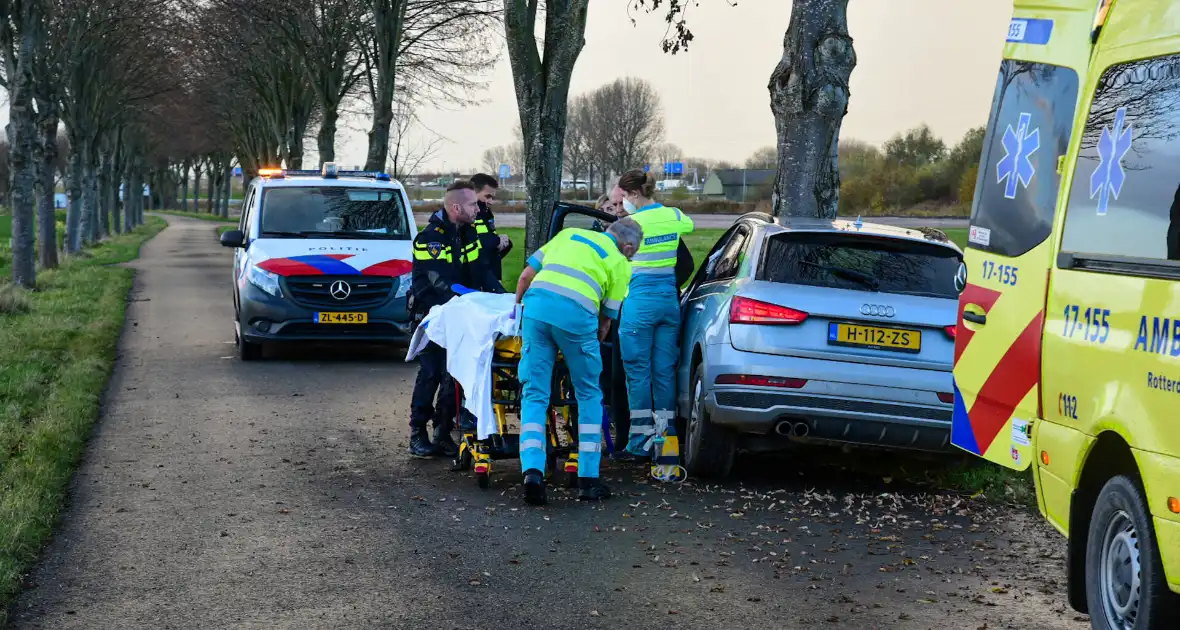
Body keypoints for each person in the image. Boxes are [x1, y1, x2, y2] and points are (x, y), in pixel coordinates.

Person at [512, 218, 643, 505]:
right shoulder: (621, 264)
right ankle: (588, 479)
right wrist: (586, 351)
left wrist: (519, 313)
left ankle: (532, 473)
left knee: (534, 394)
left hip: (536, 311)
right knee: (588, 395)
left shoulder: (568, 234)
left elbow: (524, 278)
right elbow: (605, 322)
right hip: (577, 318)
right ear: (629, 246)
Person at [408, 180, 504, 458]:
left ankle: (442, 431)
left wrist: (501, 295)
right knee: (431, 373)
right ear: (455, 207)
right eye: (473, 204)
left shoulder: (467, 233)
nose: (479, 208)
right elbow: (441, 283)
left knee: (454, 375)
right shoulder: (431, 238)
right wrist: (474, 297)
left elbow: (480, 269)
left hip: (459, 312)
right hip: (431, 314)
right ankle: (417, 433)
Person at [614, 169, 695, 467]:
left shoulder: (628, 224)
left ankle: (639, 444)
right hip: (668, 303)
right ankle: (666, 440)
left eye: (624, 196)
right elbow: (689, 225)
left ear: (634, 194)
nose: (623, 202)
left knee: (638, 374)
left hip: (639, 305)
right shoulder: (674, 215)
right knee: (664, 373)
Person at [470, 173, 513, 281]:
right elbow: (479, 243)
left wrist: (504, 243)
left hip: (491, 272)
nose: (490, 201)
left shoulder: (486, 212)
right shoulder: (468, 214)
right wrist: (498, 241)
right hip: (477, 276)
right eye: (487, 196)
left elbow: (489, 241)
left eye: (492, 197)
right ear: (473, 191)